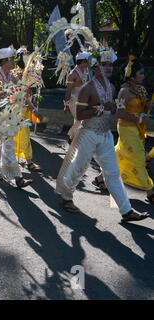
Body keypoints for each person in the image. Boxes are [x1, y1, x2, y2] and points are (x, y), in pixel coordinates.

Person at [56, 49, 149, 223]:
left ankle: (126, 210)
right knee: (78, 167)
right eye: (103, 64)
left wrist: (105, 109)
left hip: (105, 136)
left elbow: (109, 109)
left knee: (113, 173)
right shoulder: (87, 88)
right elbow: (80, 115)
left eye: (110, 65)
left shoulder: (112, 87)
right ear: (95, 67)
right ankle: (67, 197)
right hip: (88, 134)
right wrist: (99, 109)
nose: (108, 68)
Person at [0, 46, 33, 188]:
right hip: (0, 116)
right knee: (8, 146)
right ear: (6, 61)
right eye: (12, 59)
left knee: (0, 144)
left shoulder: (11, 75)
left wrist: (28, 81)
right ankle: (18, 177)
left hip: (9, 114)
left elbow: (20, 88)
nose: (14, 61)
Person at [114, 57, 154, 203]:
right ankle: (150, 191)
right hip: (126, 128)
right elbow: (119, 113)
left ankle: (102, 179)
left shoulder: (141, 89)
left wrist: (148, 106)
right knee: (138, 157)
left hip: (137, 128)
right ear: (132, 75)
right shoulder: (123, 92)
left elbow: (142, 107)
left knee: (120, 154)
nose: (143, 76)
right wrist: (139, 120)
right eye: (141, 73)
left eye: (144, 73)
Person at [13, 47, 43, 173]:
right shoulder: (17, 76)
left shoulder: (27, 77)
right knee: (23, 137)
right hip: (17, 112)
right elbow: (21, 97)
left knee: (21, 137)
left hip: (24, 113)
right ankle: (29, 162)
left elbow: (27, 96)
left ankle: (11, 161)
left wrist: (34, 100)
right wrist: (33, 108)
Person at [64, 52, 91, 142]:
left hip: (84, 100)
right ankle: (72, 137)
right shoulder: (72, 74)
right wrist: (66, 105)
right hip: (74, 100)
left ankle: (72, 138)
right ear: (83, 62)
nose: (88, 64)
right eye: (87, 62)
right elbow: (68, 91)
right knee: (80, 119)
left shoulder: (86, 71)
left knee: (80, 120)